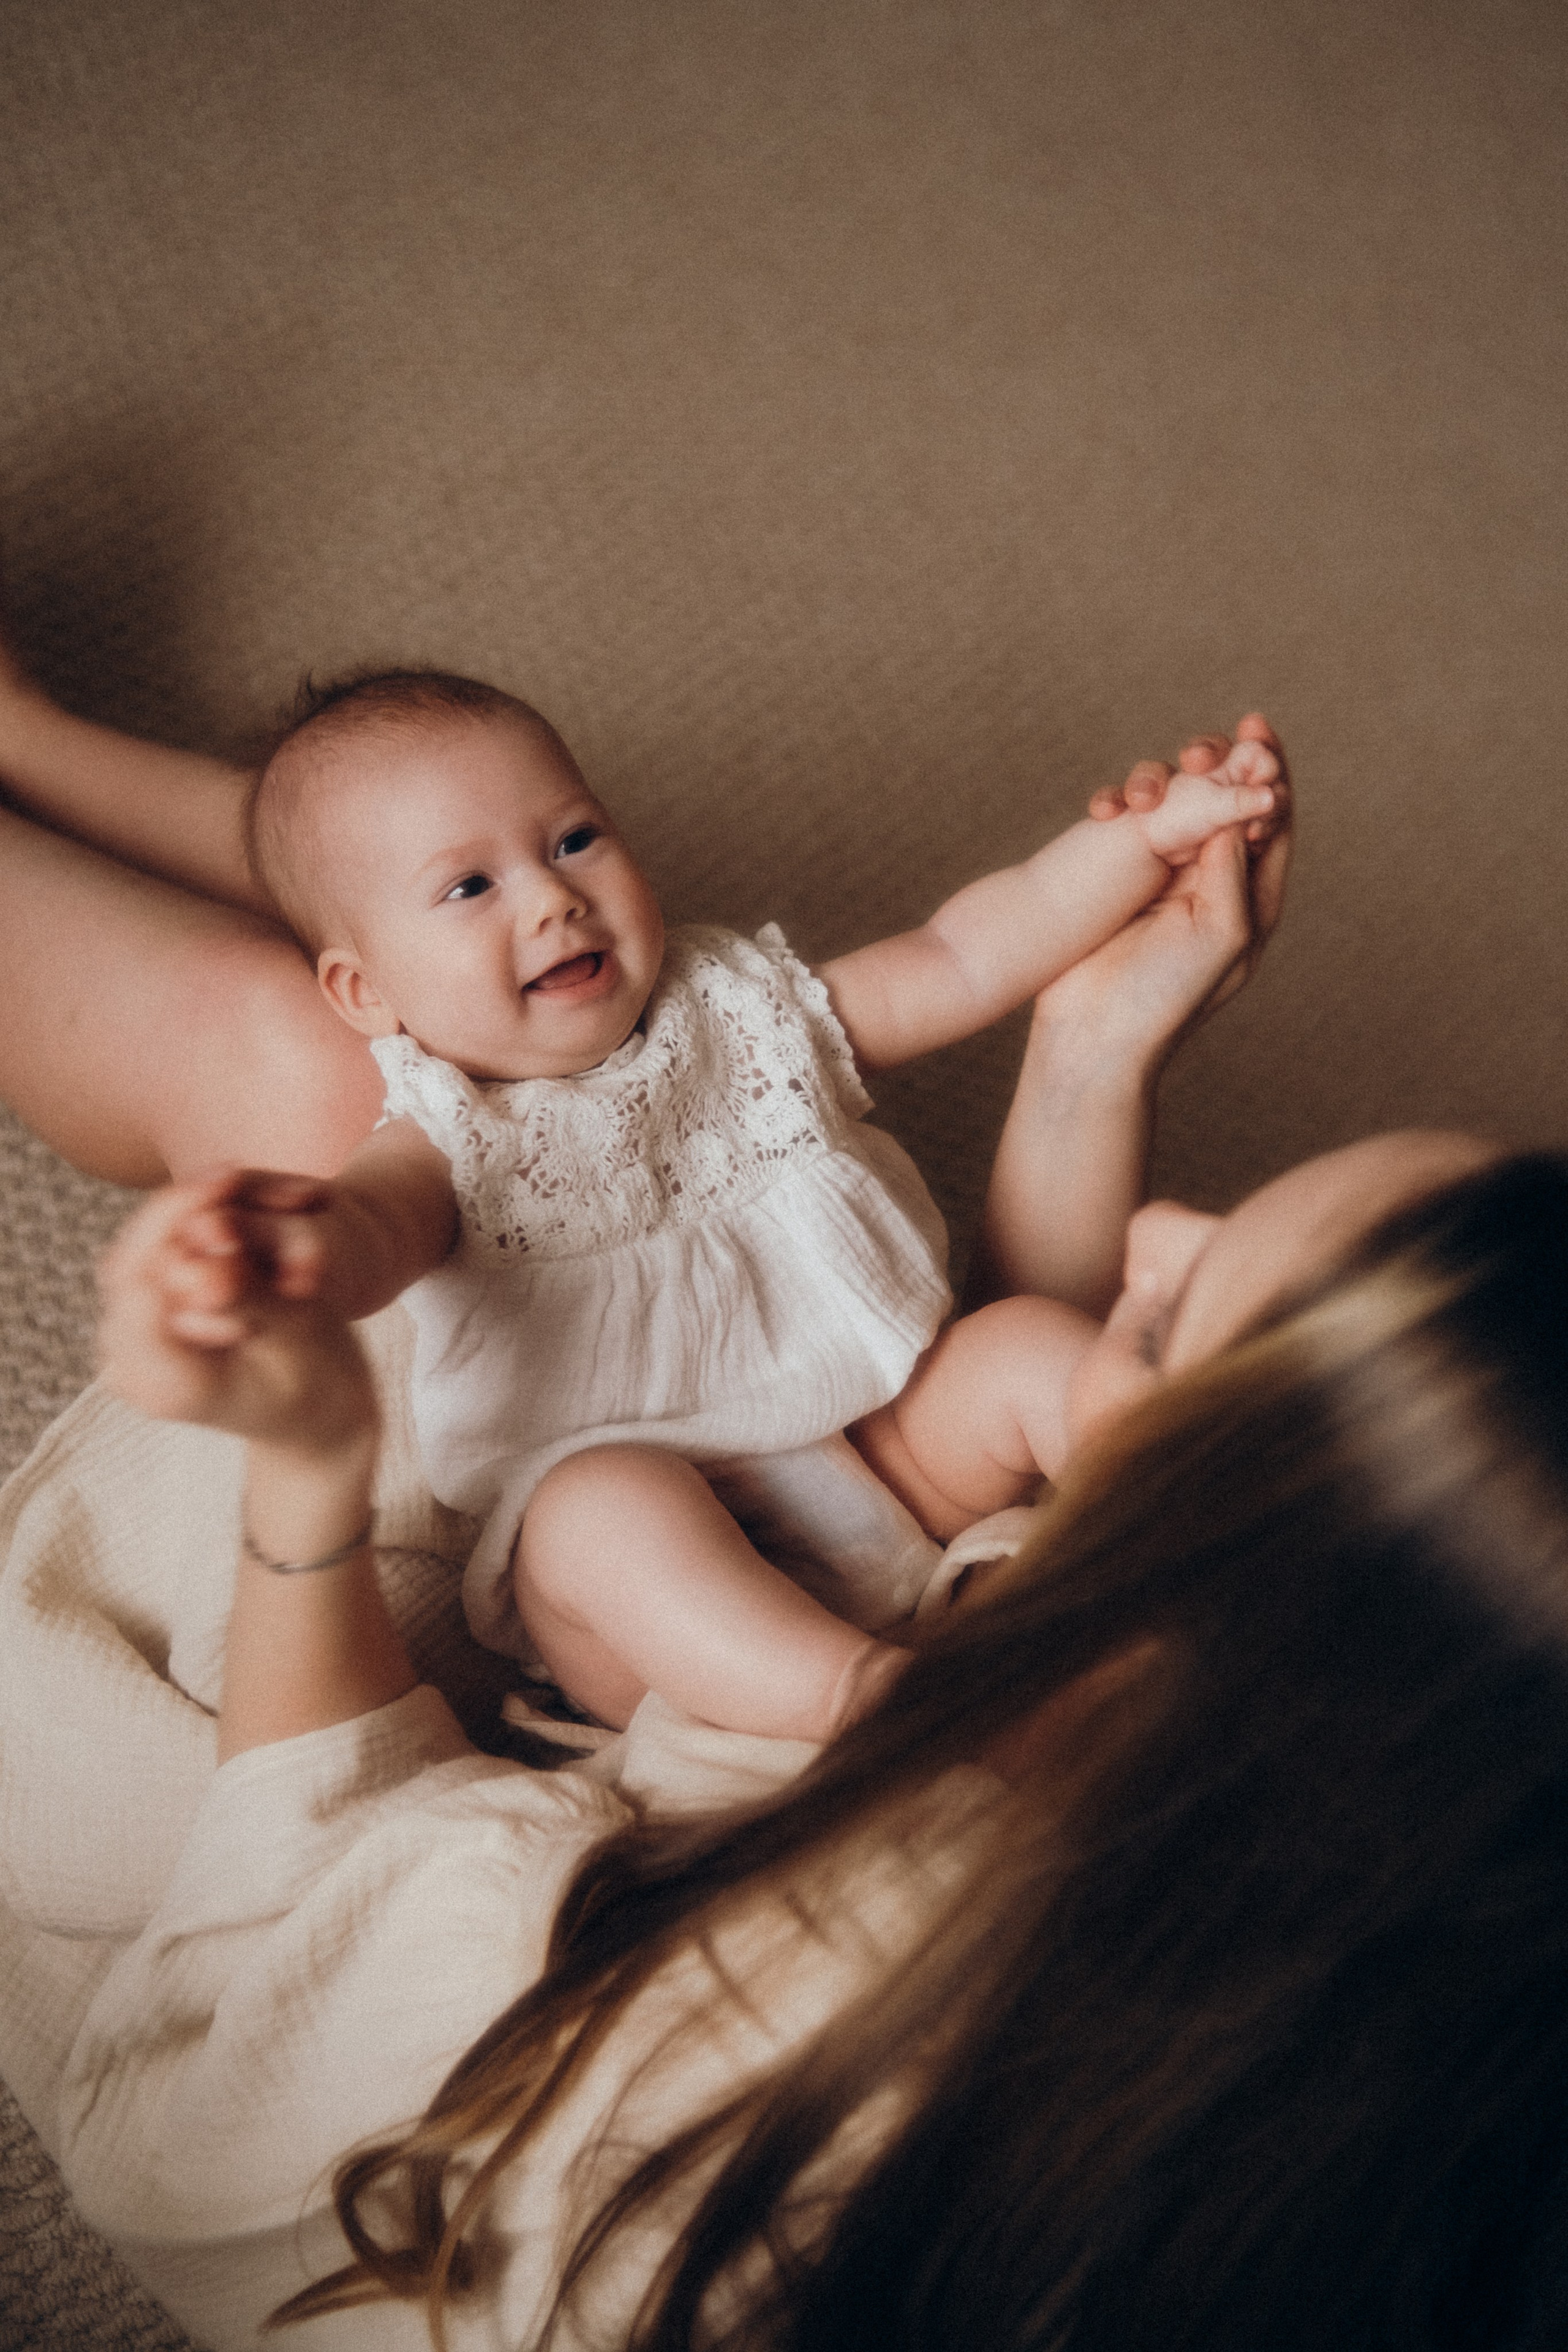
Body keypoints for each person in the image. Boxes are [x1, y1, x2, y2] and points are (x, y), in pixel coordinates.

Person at [58, 1121, 1568, 2352]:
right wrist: (1094, 1054)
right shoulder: (1410, 2025)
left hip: (377, 2084)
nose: (1155, 1226)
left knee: (323, 1386)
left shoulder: (735, 2028)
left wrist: (309, 1470)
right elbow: (943, 1409)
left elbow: (190, 2095)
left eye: (1163, 1327)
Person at [0, 635, 1284, 1743]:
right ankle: (864, 1700)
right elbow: (374, 1224)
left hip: (885, 1465)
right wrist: (294, 1249)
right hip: (653, 1604)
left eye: (573, 839)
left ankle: (1179, 1526)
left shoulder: (738, 1006)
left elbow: (960, 951)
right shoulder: (446, 1125)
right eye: (474, 887)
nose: (553, 898)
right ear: (368, 999)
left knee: (1021, 1353)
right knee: (593, 1513)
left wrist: (1138, 845)